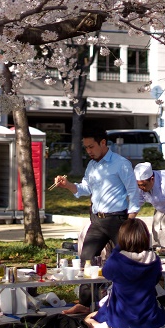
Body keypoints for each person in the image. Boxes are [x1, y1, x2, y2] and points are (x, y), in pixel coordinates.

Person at [52, 126, 143, 314]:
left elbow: (133, 191)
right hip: (97, 220)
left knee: (127, 259)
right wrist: (68, 185)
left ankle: (132, 302)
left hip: (118, 220)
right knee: (86, 258)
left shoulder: (121, 163)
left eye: (91, 147)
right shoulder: (92, 165)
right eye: (85, 148)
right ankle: (86, 304)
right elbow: (85, 188)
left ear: (103, 143)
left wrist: (131, 219)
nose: (89, 151)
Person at [84, 218, 165, 328]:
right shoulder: (155, 260)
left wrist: (118, 248)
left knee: (89, 318)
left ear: (122, 237)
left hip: (120, 324)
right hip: (152, 325)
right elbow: (155, 280)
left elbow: (107, 273)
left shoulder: (117, 260)